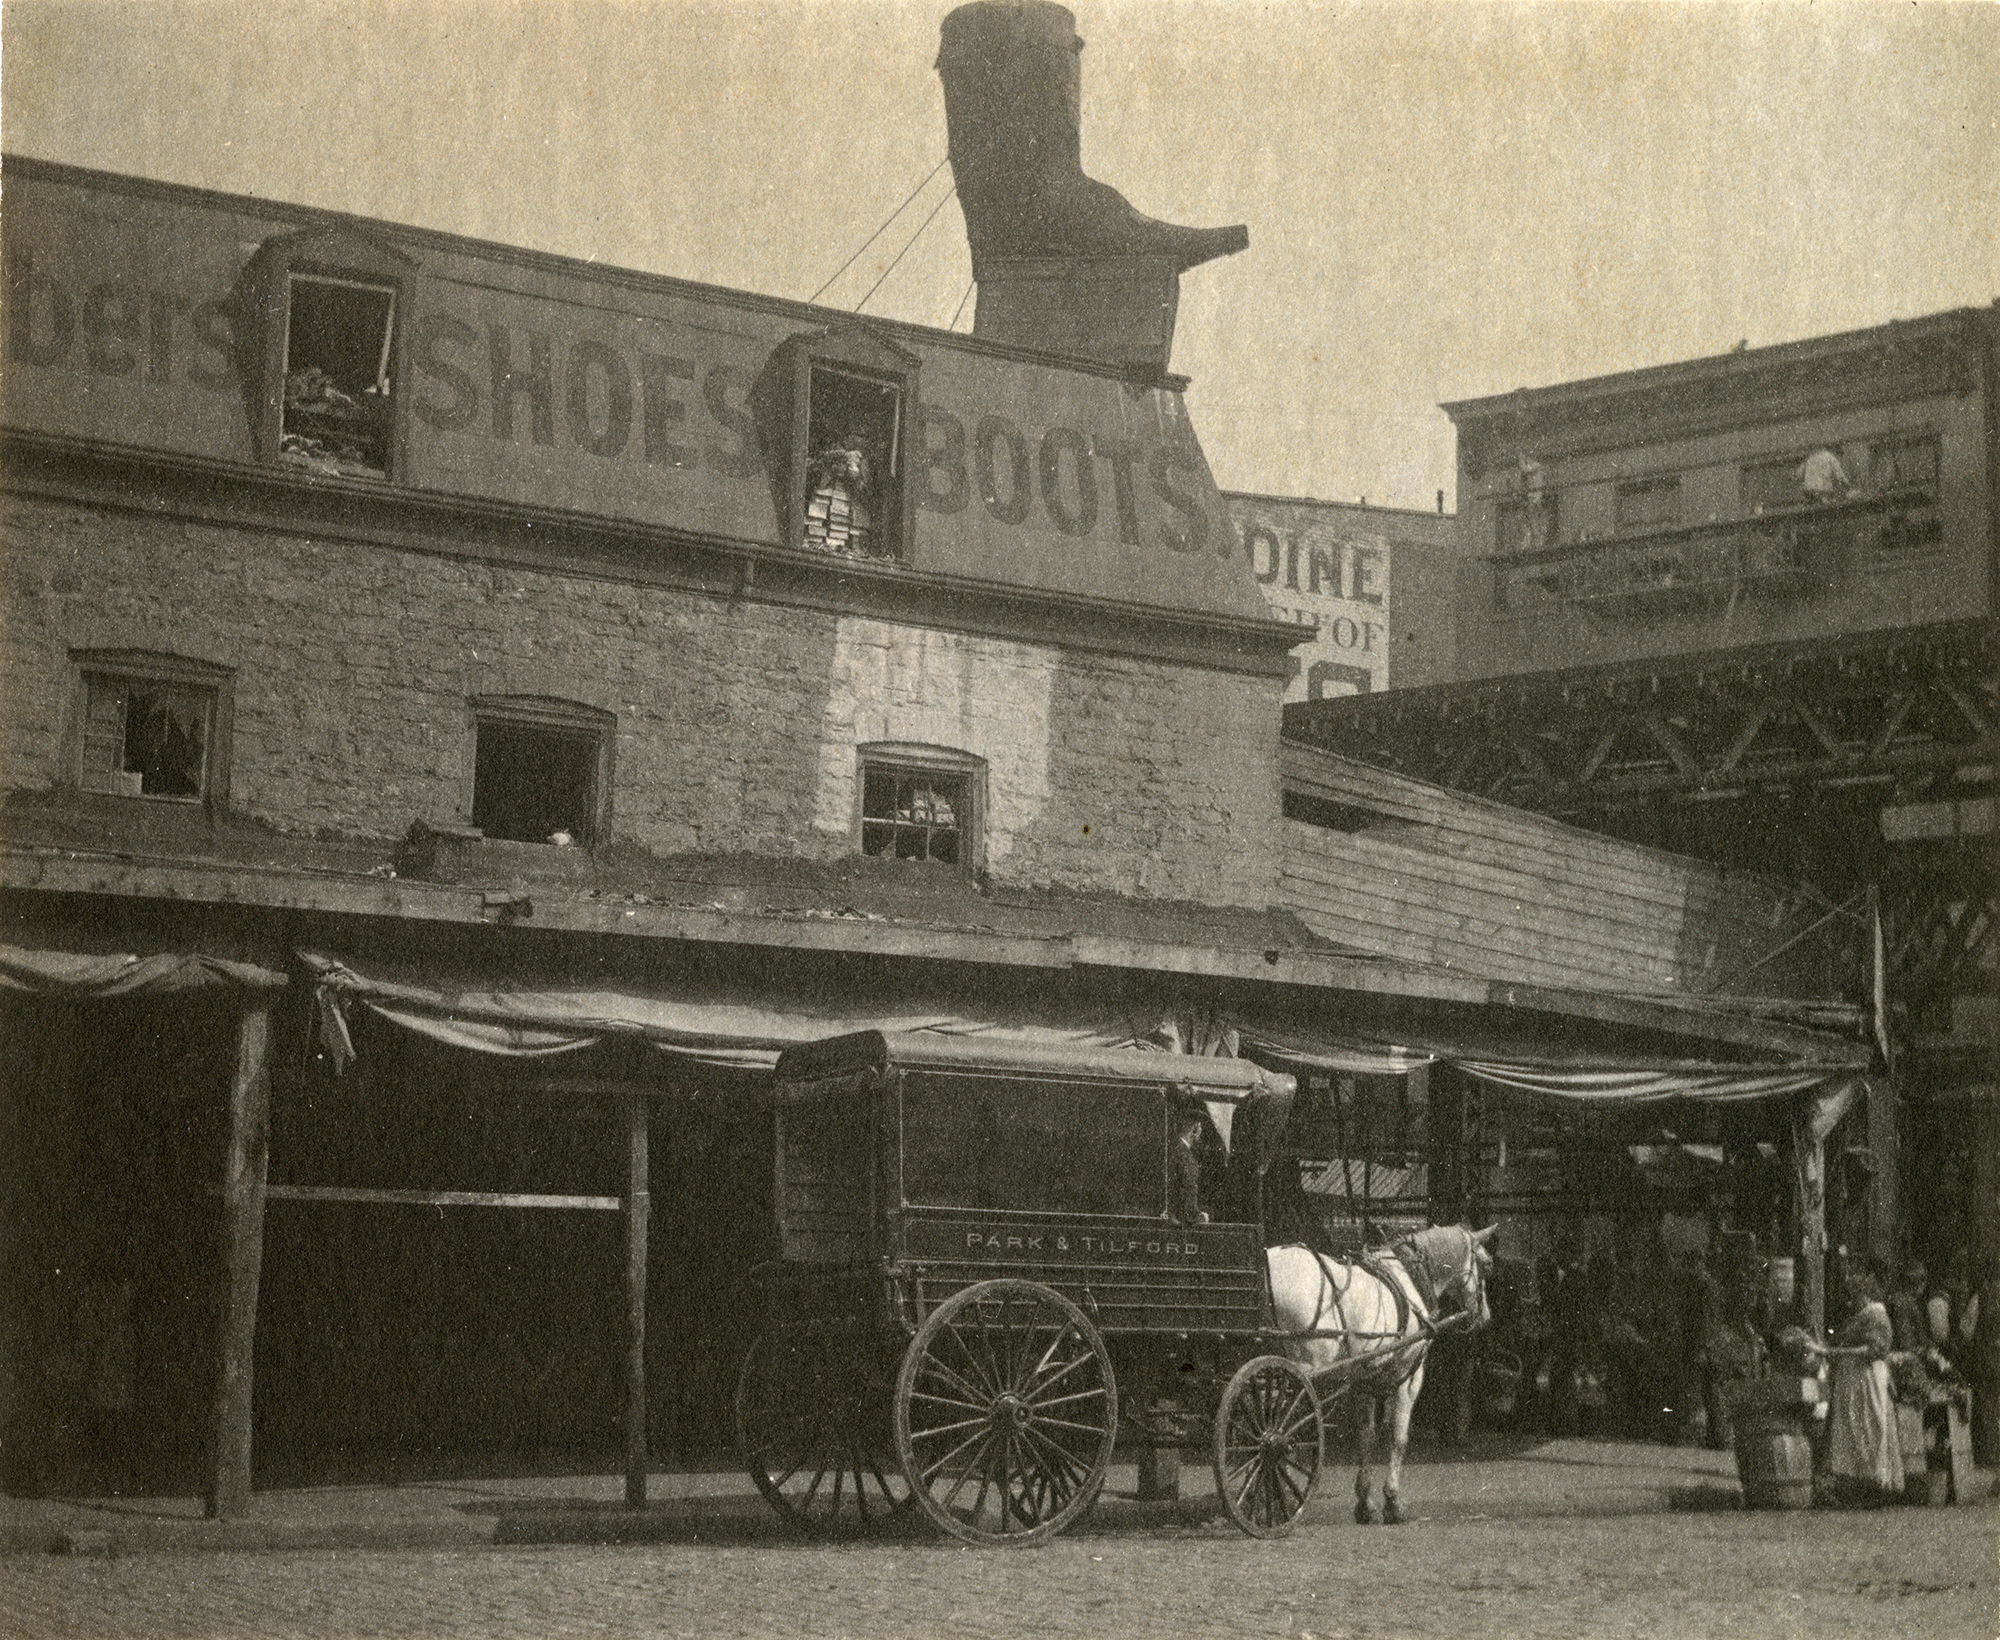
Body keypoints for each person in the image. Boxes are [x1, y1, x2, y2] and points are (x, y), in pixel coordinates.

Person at [1807, 1269, 1903, 1506]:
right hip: (1856, 1380)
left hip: (1866, 1380)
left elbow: (1873, 1350)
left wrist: (1832, 1352)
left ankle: (1870, 1485)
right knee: (1856, 1429)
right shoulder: (1865, 1314)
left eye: (1856, 1295)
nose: (1852, 1301)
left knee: (1866, 1428)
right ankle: (1858, 1484)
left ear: (1866, 1295)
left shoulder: (1875, 1314)